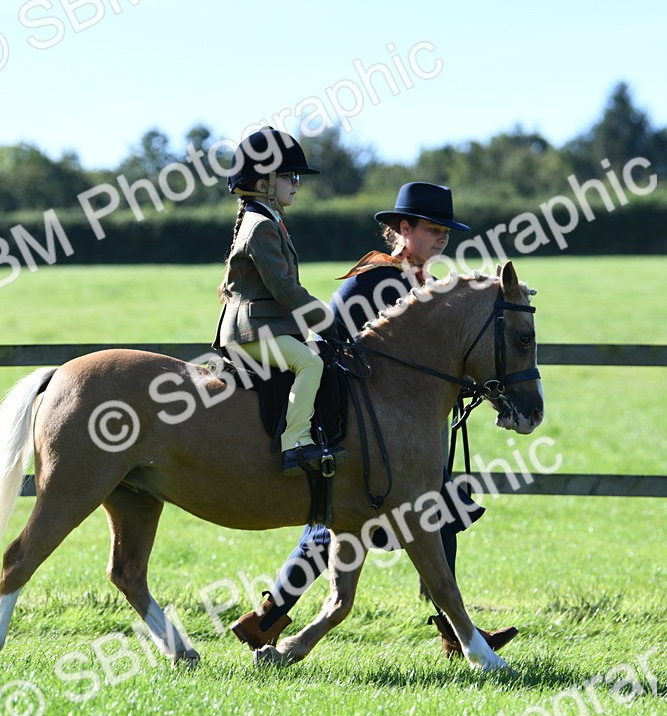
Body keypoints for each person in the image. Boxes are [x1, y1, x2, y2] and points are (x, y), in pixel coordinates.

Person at [229, 182, 518, 657]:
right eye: (431, 229)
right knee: (332, 523)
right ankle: (271, 615)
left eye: (445, 231)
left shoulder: (426, 281)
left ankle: (454, 631)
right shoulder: (373, 280)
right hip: (357, 419)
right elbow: (332, 336)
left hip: (407, 428)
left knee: (435, 512)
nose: (441, 238)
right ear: (403, 229)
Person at [213, 127, 345, 477]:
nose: (296, 183)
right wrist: (327, 318)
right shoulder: (261, 227)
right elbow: (285, 290)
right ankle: (297, 442)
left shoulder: (268, 221)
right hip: (252, 332)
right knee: (309, 364)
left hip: (266, 327)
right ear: (262, 184)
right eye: (288, 176)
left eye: (296, 176)